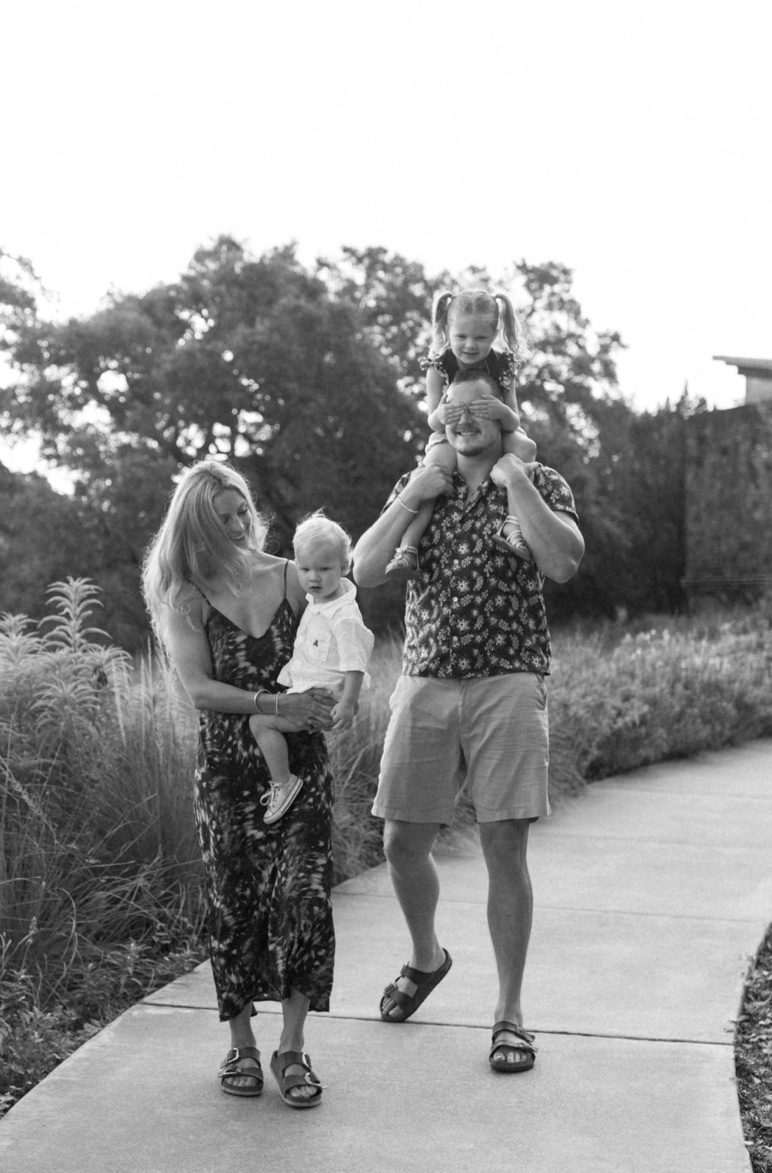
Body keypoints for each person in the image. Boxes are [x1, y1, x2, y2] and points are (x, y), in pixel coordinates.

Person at [352, 369, 584, 1075]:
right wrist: (414, 496)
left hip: (509, 680)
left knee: (503, 846)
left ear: (505, 413)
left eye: (478, 404)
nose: (462, 415)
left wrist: (516, 482)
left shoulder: (540, 479)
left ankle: (509, 1012)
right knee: (399, 841)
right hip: (425, 679)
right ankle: (427, 957)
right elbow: (363, 570)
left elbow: (566, 562)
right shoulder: (421, 481)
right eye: (450, 406)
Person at [142, 459, 337, 1107]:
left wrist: (334, 689)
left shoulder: (291, 576)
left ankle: (291, 1046)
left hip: (301, 764)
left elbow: (336, 639)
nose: (235, 523)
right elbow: (198, 689)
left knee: (304, 896)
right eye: (219, 515)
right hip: (227, 771)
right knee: (234, 901)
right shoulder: (185, 594)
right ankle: (242, 1044)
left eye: (240, 510)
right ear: (195, 522)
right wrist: (278, 706)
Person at [385, 288, 539, 581]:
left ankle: (512, 522)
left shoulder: (502, 365)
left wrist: (500, 411)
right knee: (434, 469)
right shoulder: (439, 365)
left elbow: (513, 417)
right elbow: (433, 420)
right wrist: (442, 415)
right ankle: (408, 547)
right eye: (461, 337)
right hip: (450, 434)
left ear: (494, 333)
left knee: (526, 449)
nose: (470, 345)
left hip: (496, 430)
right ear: (447, 330)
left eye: (480, 338)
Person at [249, 512, 374, 825]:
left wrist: (347, 703)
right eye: (304, 569)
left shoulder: (343, 615)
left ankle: (283, 782)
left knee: (261, 723)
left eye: (324, 569)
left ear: (344, 567)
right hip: (315, 691)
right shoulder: (319, 602)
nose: (313, 577)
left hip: (324, 699)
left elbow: (355, 663)